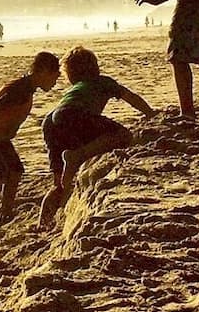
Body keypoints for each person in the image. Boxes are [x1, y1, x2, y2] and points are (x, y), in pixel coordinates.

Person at [38, 47, 155, 229]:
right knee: (123, 135)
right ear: (95, 67)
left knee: (59, 182)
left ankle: (43, 222)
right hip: (75, 114)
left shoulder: (75, 88)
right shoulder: (103, 82)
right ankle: (77, 155)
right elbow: (130, 97)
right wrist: (150, 113)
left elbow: (62, 114)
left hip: (51, 122)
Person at [0, 52, 61, 224]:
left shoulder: (27, 87)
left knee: (11, 174)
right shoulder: (20, 89)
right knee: (10, 175)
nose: (55, 83)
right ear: (43, 71)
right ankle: (4, 214)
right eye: (54, 77)